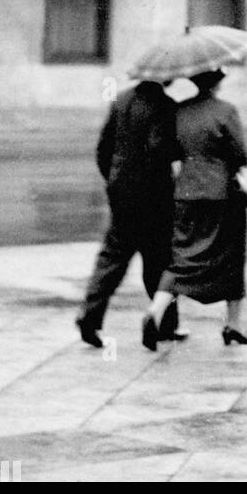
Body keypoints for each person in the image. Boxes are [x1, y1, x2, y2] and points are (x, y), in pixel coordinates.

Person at [142, 68, 247, 350]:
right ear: (217, 83)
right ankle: (233, 325)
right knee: (232, 256)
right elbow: (239, 153)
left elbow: (168, 150)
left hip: (186, 192)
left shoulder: (179, 111)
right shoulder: (226, 111)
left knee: (182, 257)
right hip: (222, 194)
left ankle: (155, 313)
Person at [76, 80, 184, 348]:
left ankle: (89, 315)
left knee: (112, 257)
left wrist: (114, 179)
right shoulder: (165, 105)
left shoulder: (121, 100)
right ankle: (166, 324)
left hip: (121, 191)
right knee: (159, 258)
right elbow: (159, 148)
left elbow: (104, 147)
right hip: (154, 194)